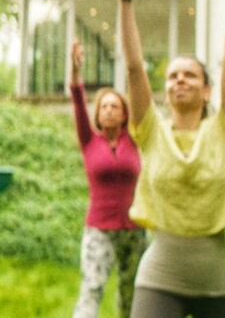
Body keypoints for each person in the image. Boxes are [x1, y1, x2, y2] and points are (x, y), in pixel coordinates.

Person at [116, 0, 225, 318]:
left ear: (207, 90)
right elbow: (133, 69)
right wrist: (125, 2)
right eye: (173, 75)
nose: (179, 81)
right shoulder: (151, 131)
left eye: (189, 74)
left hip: (219, 280)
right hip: (160, 277)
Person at [70, 40, 145, 318]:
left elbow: (140, 99)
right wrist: (75, 71)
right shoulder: (89, 140)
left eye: (116, 106)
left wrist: (134, 68)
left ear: (125, 114)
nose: (110, 110)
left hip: (134, 229)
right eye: (104, 107)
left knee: (130, 293)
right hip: (99, 229)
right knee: (92, 288)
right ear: (98, 115)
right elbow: (78, 101)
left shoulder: (134, 139)